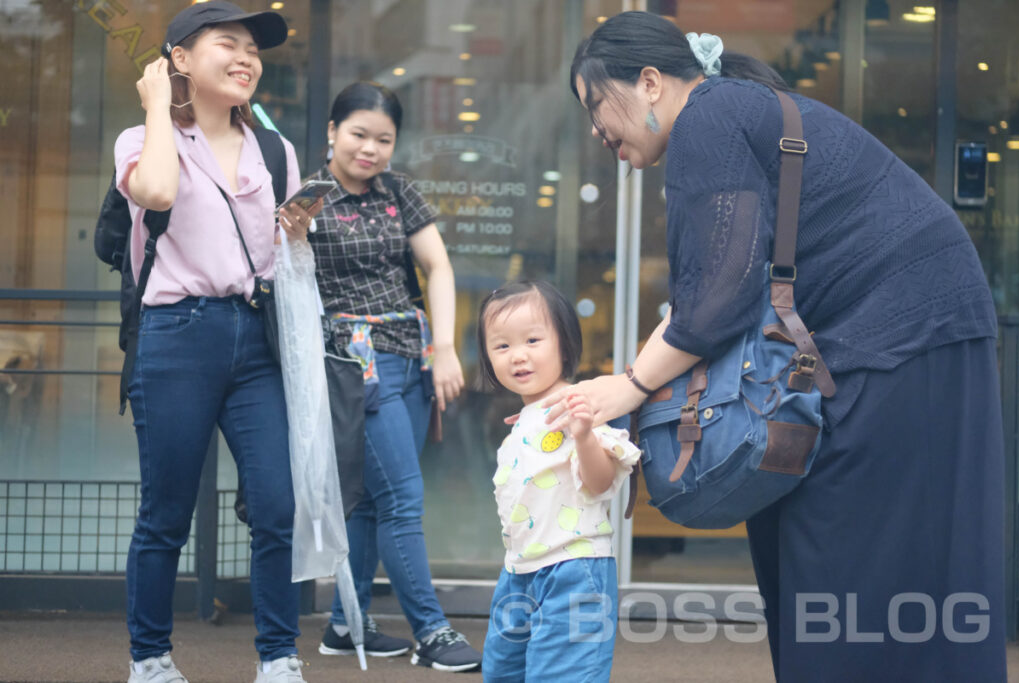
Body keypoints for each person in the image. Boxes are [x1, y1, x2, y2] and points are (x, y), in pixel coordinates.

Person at [548, 10, 1007, 682]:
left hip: (902, 337)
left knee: (843, 560)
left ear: (649, 82)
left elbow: (721, 295)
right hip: (916, 334)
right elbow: (721, 289)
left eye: (596, 105)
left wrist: (629, 386)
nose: (595, 129)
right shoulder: (732, 108)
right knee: (873, 563)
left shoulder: (706, 114)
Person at [115, 3, 321, 682]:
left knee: (276, 504)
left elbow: (282, 255)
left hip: (253, 335)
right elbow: (157, 189)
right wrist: (155, 103)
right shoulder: (138, 140)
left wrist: (296, 235)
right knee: (166, 509)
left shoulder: (275, 149)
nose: (246, 59)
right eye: (227, 45)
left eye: (253, 52)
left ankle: (279, 655)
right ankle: (150, 656)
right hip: (177, 336)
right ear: (179, 59)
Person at [307, 82, 482, 672]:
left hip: (410, 357)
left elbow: (437, 266)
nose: (371, 149)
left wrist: (447, 351)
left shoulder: (398, 190)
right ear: (332, 131)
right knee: (402, 501)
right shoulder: (306, 197)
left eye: (384, 139)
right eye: (359, 134)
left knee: (369, 504)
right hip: (356, 367)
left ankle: (343, 623)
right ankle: (431, 631)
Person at [476, 280, 639, 682]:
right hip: (519, 571)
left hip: (573, 567)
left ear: (564, 344)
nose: (518, 356)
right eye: (502, 346)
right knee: (502, 673)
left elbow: (601, 485)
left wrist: (584, 434)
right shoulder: (523, 419)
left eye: (533, 340)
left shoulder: (580, 405)